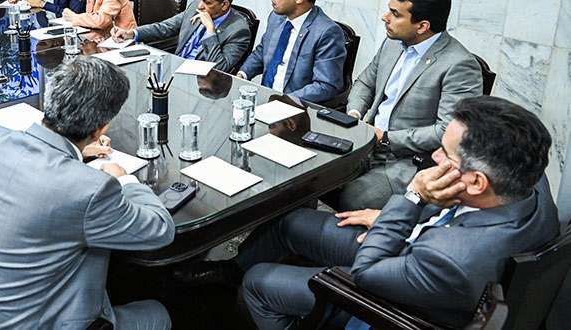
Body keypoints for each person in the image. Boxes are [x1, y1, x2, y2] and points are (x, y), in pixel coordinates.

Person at [178, 97, 559, 330]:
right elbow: (449, 219)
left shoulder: (451, 261)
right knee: (288, 221)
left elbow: (366, 273)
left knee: (260, 281)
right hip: (414, 246)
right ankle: (229, 270)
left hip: (391, 297)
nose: (433, 158)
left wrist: (410, 200)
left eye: (444, 154)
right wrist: (395, 220)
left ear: (476, 182)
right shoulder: (529, 182)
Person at [0, 57, 175, 329]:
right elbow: (160, 230)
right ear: (100, 130)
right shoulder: (91, 189)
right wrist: (125, 179)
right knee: (158, 314)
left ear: (50, 102)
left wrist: (76, 151)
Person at [341, 0, 482, 210]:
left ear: (422, 26)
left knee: (354, 198)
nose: (385, 17)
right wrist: (354, 114)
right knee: (310, 175)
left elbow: (447, 131)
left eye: (395, 14)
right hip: (366, 141)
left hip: (409, 161)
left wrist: (386, 138)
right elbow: (365, 83)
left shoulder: (459, 65)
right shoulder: (392, 44)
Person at [237, 0, 346, 103]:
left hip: (294, 108)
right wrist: (242, 74)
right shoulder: (276, 17)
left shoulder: (327, 32)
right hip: (263, 100)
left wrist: (284, 100)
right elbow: (262, 51)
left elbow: (325, 85)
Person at [112, 0, 250, 72]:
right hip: (174, 68)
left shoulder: (239, 30)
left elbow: (220, 68)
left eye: (207, 2)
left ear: (224, 5)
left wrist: (210, 31)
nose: (200, 6)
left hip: (200, 83)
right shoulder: (195, 7)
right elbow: (165, 27)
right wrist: (131, 33)